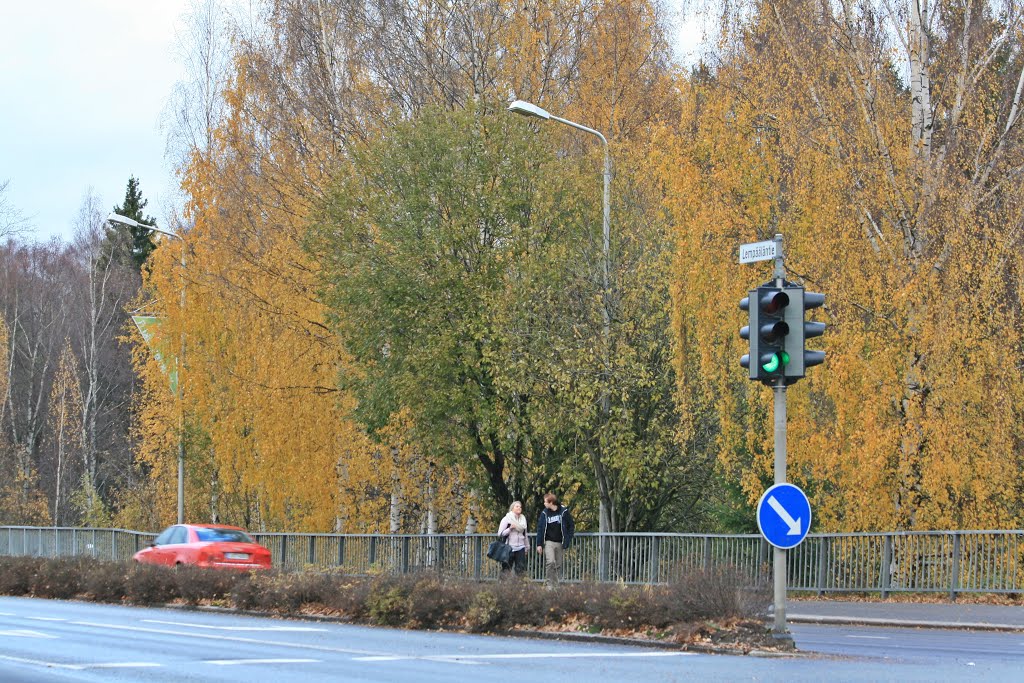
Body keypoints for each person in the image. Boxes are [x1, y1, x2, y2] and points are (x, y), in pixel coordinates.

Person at [535, 493, 574, 586]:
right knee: (550, 561)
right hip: (549, 541)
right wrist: (539, 544)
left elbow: (571, 525)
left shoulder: (563, 511)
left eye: (545, 502)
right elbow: (540, 528)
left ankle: (556, 586)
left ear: (551, 502)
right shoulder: (544, 513)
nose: (544, 503)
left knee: (558, 565)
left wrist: (568, 539)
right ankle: (549, 584)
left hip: (560, 542)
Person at [498, 501, 529, 576]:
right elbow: (500, 533)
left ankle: (518, 586)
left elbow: (525, 535)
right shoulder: (507, 519)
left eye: (520, 507)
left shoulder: (523, 520)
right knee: (506, 569)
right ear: (512, 508)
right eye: (517, 506)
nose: (519, 508)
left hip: (521, 547)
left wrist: (527, 547)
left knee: (520, 570)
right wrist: (510, 529)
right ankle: (503, 586)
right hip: (509, 547)